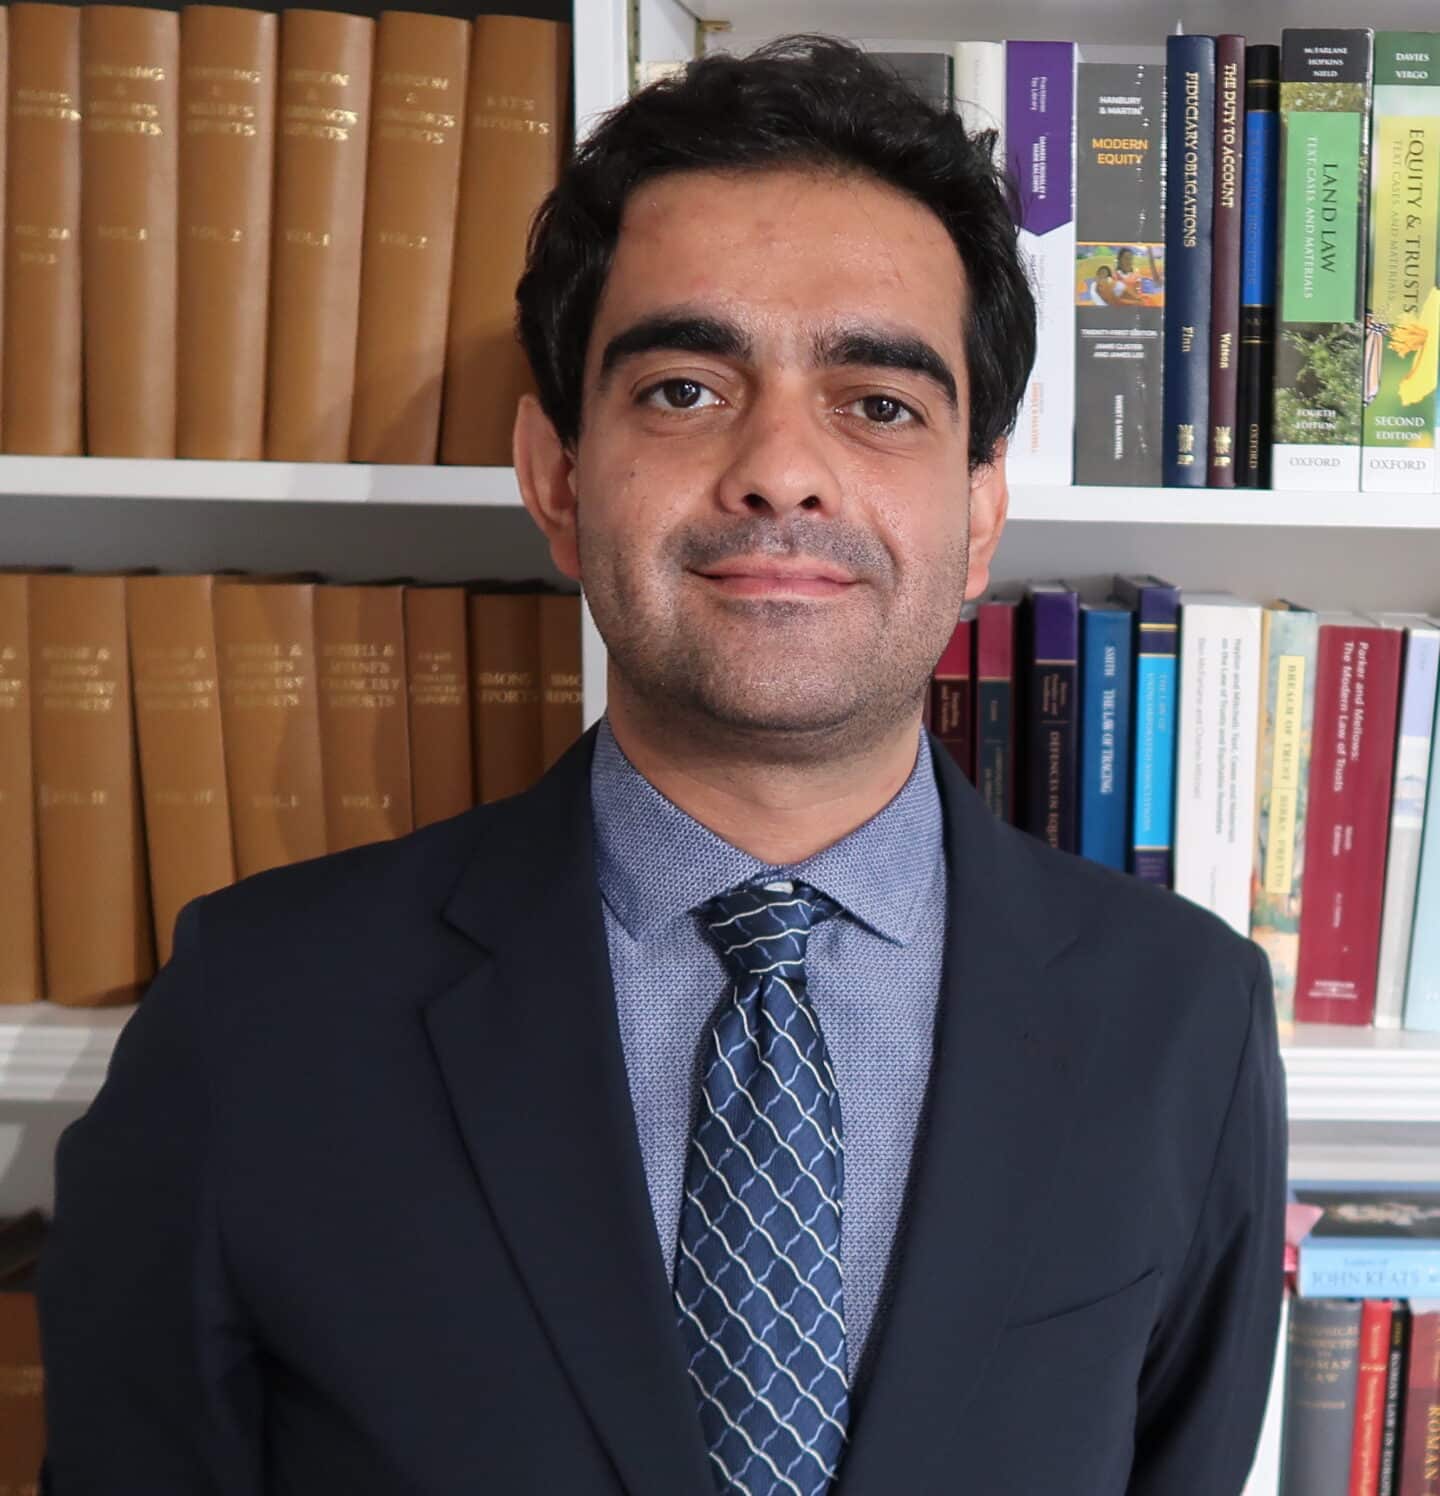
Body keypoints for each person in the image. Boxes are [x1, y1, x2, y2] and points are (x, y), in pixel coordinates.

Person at [38, 35, 1286, 1496]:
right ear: (558, 480)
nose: (781, 469)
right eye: (686, 389)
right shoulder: (253, 1014)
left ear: (980, 511)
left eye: (879, 404)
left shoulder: (1181, 1020)